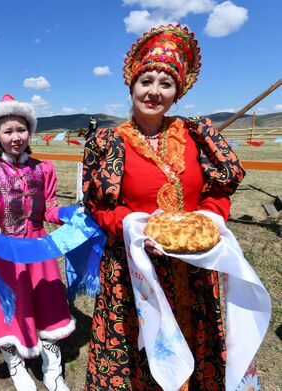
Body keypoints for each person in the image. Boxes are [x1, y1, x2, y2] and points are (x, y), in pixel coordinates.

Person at [82, 24, 247, 390]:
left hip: (193, 266)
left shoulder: (196, 135)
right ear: (132, 85)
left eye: (165, 83)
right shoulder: (107, 142)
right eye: (147, 80)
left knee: (195, 346)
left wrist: (207, 220)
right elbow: (98, 206)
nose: (154, 91)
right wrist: (137, 229)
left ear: (177, 93)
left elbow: (219, 191)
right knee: (137, 351)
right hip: (133, 268)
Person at [0, 94, 74, 391]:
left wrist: (69, 213)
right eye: (8, 131)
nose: (16, 137)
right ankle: (15, 365)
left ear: (30, 132)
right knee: (9, 308)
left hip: (39, 250)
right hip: (4, 250)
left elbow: (49, 210)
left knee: (48, 305)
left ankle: (53, 369)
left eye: (21, 130)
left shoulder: (45, 169)